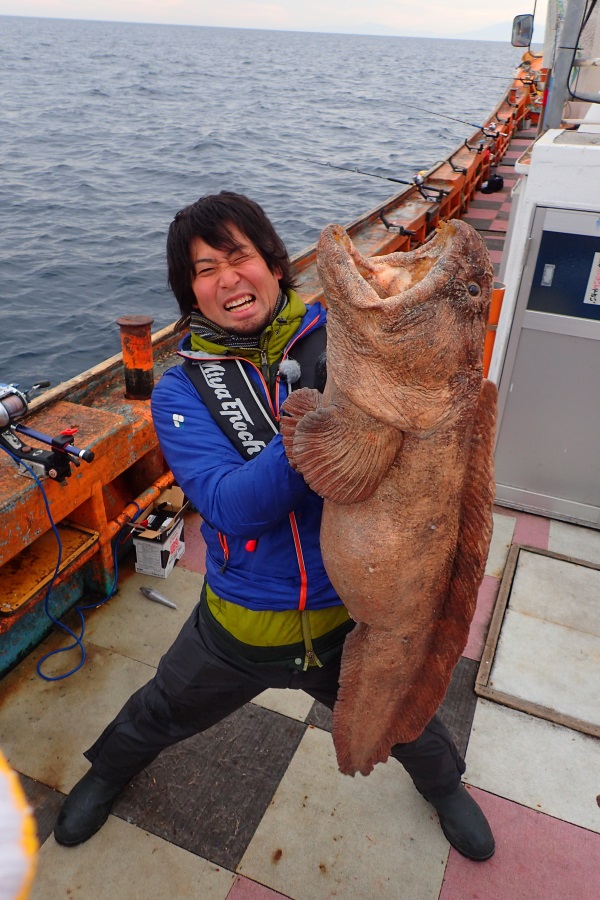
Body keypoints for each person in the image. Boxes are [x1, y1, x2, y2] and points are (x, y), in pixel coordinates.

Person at [53, 191, 495, 861]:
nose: (228, 279)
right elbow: (229, 506)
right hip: (239, 624)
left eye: (240, 256)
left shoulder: (343, 333)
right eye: (204, 270)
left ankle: (446, 787)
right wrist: (328, 436)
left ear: (273, 262)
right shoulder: (181, 389)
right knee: (161, 710)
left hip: (349, 614)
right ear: (190, 294)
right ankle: (107, 773)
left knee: (403, 708)